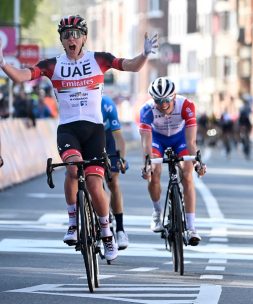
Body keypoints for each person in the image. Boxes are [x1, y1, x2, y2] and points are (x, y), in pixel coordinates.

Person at [0, 15, 158, 261]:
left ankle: (107, 233)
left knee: (96, 185)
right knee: (73, 169)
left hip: (94, 131)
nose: (71, 38)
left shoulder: (99, 59)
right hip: (69, 130)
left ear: (84, 37)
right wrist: (2, 63)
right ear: (62, 41)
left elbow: (131, 65)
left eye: (75, 34)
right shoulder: (53, 65)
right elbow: (21, 76)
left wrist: (145, 55)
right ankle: (73, 222)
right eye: (66, 35)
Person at [139, 77, 206, 246]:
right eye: (158, 101)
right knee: (155, 171)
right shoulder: (147, 110)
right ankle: (157, 212)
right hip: (157, 141)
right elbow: (146, 144)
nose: (162, 105)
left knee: (187, 175)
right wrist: (147, 164)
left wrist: (198, 162)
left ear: (174, 97)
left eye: (166, 100)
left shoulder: (186, 105)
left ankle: (191, 228)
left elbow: (191, 142)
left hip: (180, 139)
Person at [102, 95, 129, 250]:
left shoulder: (107, 105)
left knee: (113, 181)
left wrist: (122, 159)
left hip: (108, 138)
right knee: (93, 181)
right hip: (88, 137)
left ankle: (120, 229)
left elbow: (119, 138)